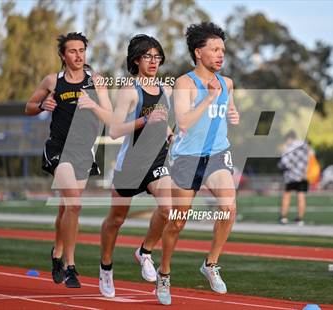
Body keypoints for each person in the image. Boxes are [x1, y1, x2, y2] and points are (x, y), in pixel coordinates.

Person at [155, 22, 240, 305]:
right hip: (188, 158)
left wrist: (232, 112)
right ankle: (164, 272)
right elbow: (184, 122)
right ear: (198, 52)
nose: (220, 55)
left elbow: (228, 108)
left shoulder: (227, 83)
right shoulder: (185, 83)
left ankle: (210, 264)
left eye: (223, 50)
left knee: (228, 207)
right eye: (214, 49)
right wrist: (210, 98)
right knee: (178, 222)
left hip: (217, 154)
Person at [25, 32, 112, 288]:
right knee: (74, 204)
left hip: (83, 151)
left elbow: (110, 117)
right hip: (58, 149)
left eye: (82, 50)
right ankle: (71, 267)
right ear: (63, 55)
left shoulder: (96, 82)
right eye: (72, 51)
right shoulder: (53, 80)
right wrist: (42, 105)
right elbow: (29, 106)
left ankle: (56, 254)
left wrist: (94, 106)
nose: (78, 55)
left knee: (65, 207)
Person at [99, 34, 173, 298]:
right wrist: (145, 121)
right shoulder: (129, 91)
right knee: (116, 220)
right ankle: (106, 268)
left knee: (167, 208)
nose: (153, 61)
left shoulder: (166, 89)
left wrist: (167, 132)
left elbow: (162, 121)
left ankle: (144, 251)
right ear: (136, 60)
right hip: (130, 164)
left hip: (157, 159)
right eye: (147, 56)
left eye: (157, 56)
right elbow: (116, 130)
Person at [278, 130, 311, 226]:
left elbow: (284, 163)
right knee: (301, 196)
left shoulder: (289, 148)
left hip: (291, 176)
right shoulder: (305, 147)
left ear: (289, 138)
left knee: (287, 196)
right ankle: (300, 219)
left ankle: (284, 217)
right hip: (303, 175)